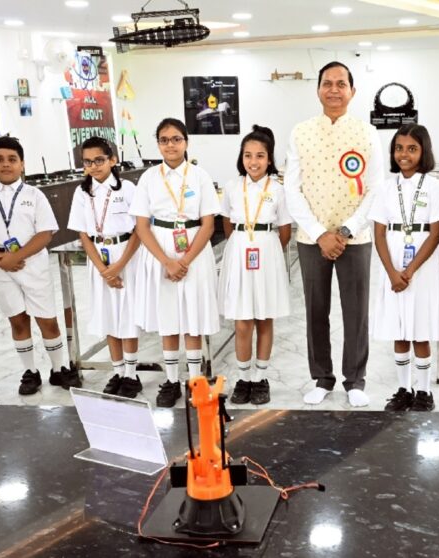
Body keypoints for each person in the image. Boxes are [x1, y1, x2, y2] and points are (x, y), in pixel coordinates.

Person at [284, 61, 385, 408]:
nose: (334, 90)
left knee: (356, 311)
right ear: (318, 90)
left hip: (355, 237)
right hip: (311, 238)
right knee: (315, 309)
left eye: (341, 84)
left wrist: (345, 230)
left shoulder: (367, 133)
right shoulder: (300, 132)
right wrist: (319, 233)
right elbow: (292, 189)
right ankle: (322, 377)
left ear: (352, 91)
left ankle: (355, 380)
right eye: (327, 83)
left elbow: (375, 188)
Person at [130, 118, 221, 408]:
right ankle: (170, 381)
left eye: (176, 139)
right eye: (164, 140)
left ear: (186, 142)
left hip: (194, 250)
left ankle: (195, 381)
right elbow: (142, 226)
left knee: (193, 316)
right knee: (167, 316)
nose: (170, 145)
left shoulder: (200, 176)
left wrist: (185, 261)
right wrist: (167, 262)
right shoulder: (148, 178)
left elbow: (208, 224)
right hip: (160, 251)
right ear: (158, 144)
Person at [0, 136, 73, 396]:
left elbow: (45, 233)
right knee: (17, 320)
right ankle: (30, 371)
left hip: (32, 262)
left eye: (12, 159)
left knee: (47, 319)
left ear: (22, 164)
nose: (6, 164)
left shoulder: (34, 195)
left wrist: (17, 257)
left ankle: (58, 368)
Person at [372, 124, 439, 412]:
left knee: (420, 328)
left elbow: (436, 232)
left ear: (423, 151)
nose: (404, 154)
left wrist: (411, 269)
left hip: (423, 266)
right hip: (392, 263)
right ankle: (404, 389)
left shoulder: (434, 186)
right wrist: (393, 273)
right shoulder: (385, 187)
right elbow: (379, 234)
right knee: (399, 329)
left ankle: (424, 391)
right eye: (399, 148)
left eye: (412, 149)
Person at [218, 125, 292, 406]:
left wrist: (266, 250)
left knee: (264, 317)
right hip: (239, 252)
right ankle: (243, 378)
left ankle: (260, 378)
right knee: (242, 321)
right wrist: (242, 244)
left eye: (260, 155)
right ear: (241, 157)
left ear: (269, 159)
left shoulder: (278, 189)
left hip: (267, 254)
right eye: (248, 155)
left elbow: (284, 231)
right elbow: (227, 223)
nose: (253, 161)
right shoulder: (232, 187)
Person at [66, 137, 143, 397]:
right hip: (98, 258)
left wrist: (118, 266)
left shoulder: (127, 188)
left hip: (125, 256)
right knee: (108, 316)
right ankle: (118, 371)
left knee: (127, 316)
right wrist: (103, 269)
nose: (94, 166)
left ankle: (131, 374)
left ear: (112, 160)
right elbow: (83, 234)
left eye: (99, 160)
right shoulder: (82, 192)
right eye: (88, 162)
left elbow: (139, 231)